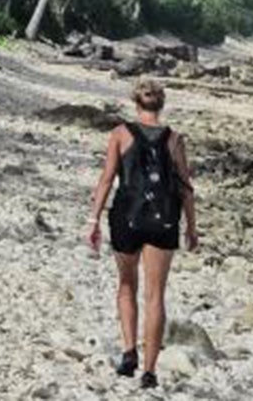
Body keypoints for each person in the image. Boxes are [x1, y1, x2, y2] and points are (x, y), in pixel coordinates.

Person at [85, 79, 199, 390]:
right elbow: (186, 189)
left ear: (136, 104)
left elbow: (107, 179)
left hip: (127, 217)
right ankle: (149, 371)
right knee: (155, 295)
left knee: (125, 285)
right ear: (161, 105)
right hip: (163, 222)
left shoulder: (120, 134)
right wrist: (191, 227)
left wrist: (93, 220)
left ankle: (128, 352)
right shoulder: (174, 139)